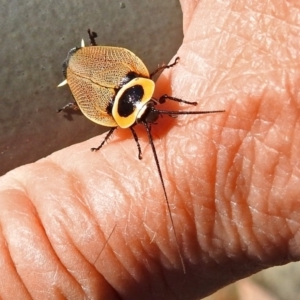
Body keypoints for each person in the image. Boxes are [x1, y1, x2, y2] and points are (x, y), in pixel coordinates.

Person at [0, 0, 299, 299]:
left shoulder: (132, 102)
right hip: (102, 74)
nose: (153, 113)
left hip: (104, 77)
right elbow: (121, 116)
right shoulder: (137, 100)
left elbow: (120, 118)